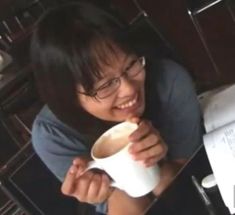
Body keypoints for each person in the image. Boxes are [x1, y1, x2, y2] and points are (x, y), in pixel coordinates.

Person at [30, 1, 202, 214]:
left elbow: (191, 190)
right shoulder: (53, 135)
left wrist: (157, 165)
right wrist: (108, 188)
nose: (129, 89)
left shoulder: (169, 82)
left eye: (131, 65)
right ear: (68, 97)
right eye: (105, 85)